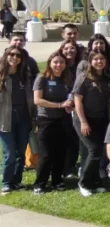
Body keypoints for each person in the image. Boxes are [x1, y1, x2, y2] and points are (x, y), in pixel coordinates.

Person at [73, 50, 110, 197]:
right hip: (84, 120)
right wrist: (83, 122)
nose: (99, 62)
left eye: (102, 59)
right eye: (96, 59)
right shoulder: (83, 78)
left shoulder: (107, 78)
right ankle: (83, 183)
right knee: (94, 150)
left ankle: (94, 182)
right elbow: (77, 100)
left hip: (101, 119)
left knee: (97, 152)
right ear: (90, 61)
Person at [32, 52, 74, 194]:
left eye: (61, 62)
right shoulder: (42, 78)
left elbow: (69, 98)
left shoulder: (66, 79)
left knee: (60, 153)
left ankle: (57, 180)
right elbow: (37, 100)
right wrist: (59, 105)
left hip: (63, 120)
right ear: (50, 63)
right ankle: (40, 184)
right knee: (46, 154)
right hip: (46, 120)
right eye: (55, 62)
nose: (58, 65)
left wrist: (69, 105)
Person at [0, 46, 35, 195]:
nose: (14, 58)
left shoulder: (25, 76)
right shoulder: (2, 76)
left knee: (21, 152)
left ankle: (16, 181)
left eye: (18, 56)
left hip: (24, 118)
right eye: (12, 54)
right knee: (9, 154)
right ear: (6, 56)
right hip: (5, 119)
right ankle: (6, 183)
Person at [58, 39, 83, 177]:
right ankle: (63, 167)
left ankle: (71, 166)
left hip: (76, 105)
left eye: (72, 48)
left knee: (74, 138)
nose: (69, 51)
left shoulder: (81, 65)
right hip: (60, 105)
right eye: (66, 48)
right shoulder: (58, 64)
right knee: (63, 139)